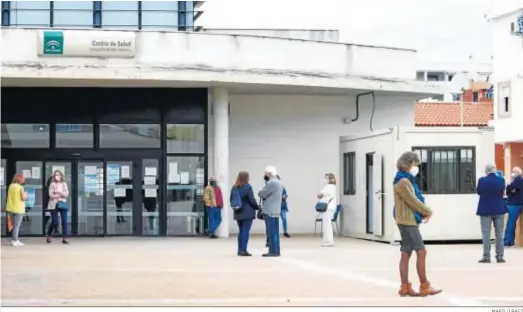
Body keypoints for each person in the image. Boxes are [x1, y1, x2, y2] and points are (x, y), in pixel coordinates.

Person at [393, 151, 441, 297]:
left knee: (406, 252)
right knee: (421, 251)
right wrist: (427, 211)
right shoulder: (403, 182)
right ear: (407, 164)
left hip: (405, 220)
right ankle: (424, 285)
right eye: (415, 164)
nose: (417, 167)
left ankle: (405, 287)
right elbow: (412, 201)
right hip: (407, 221)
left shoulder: (404, 180)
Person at [477, 163, 507, 263]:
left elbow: (479, 192)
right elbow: (502, 192)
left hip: (485, 210)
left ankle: (486, 256)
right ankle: (499, 256)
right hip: (499, 209)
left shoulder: (481, 180)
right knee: (499, 234)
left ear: (486, 171)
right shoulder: (501, 180)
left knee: (486, 234)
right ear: (495, 170)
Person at [231, 171, 259, 256]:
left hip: (238, 212)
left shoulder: (234, 187)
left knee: (241, 231)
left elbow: (231, 200)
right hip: (247, 212)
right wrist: (257, 207)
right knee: (245, 231)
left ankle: (240, 250)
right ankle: (243, 250)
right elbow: (252, 200)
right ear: (247, 177)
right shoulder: (248, 187)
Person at [258, 166, 283, 257]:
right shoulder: (278, 182)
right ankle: (276, 250)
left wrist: (263, 186)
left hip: (269, 210)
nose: (264, 175)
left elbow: (261, 193)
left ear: (269, 174)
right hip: (276, 210)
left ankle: (272, 251)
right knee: (275, 232)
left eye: (265, 173)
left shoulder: (271, 183)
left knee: (271, 232)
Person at [46, 170, 70, 244]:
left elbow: (67, 194)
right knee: (55, 221)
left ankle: (65, 238)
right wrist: (60, 195)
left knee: (64, 221)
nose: (57, 176)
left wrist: (58, 193)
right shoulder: (52, 184)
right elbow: (51, 195)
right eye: (55, 175)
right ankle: (49, 234)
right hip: (53, 204)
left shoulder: (64, 184)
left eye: (58, 175)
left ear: (61, 176)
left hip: (62, 203)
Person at [6, 173, 27, 247]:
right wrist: (26, 194)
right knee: (16, 226)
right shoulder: (20, 187)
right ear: (20, 179)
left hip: (10, 208)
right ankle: (14, 240)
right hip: (19, 209)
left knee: (14, 225)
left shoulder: (11, 186)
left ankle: (15, 239)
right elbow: (23, 198)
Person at [504, 167, 523, 247]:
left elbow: (511, 189)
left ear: (517, 172)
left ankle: (507, 241)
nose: (512, 173)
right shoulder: (516, 180)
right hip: (515, 203)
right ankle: (510, 241)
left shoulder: (518, 180)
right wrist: (509, 189)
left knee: (510, 223)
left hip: (515, 204)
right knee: (511, 222)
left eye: (513, 172)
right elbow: (510, 190)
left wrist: (509, 188)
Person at [318, 173, 337, 247]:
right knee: (328, 224)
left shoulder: (328, 187)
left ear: (329, 179)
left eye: (326, 178)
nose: (325, 180)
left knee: (327, 225)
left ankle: (329, 241)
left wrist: (321, 196)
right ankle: (328, 240)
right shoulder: (333, 187)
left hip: (327, 208)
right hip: (332, 207)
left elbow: (319, 194)